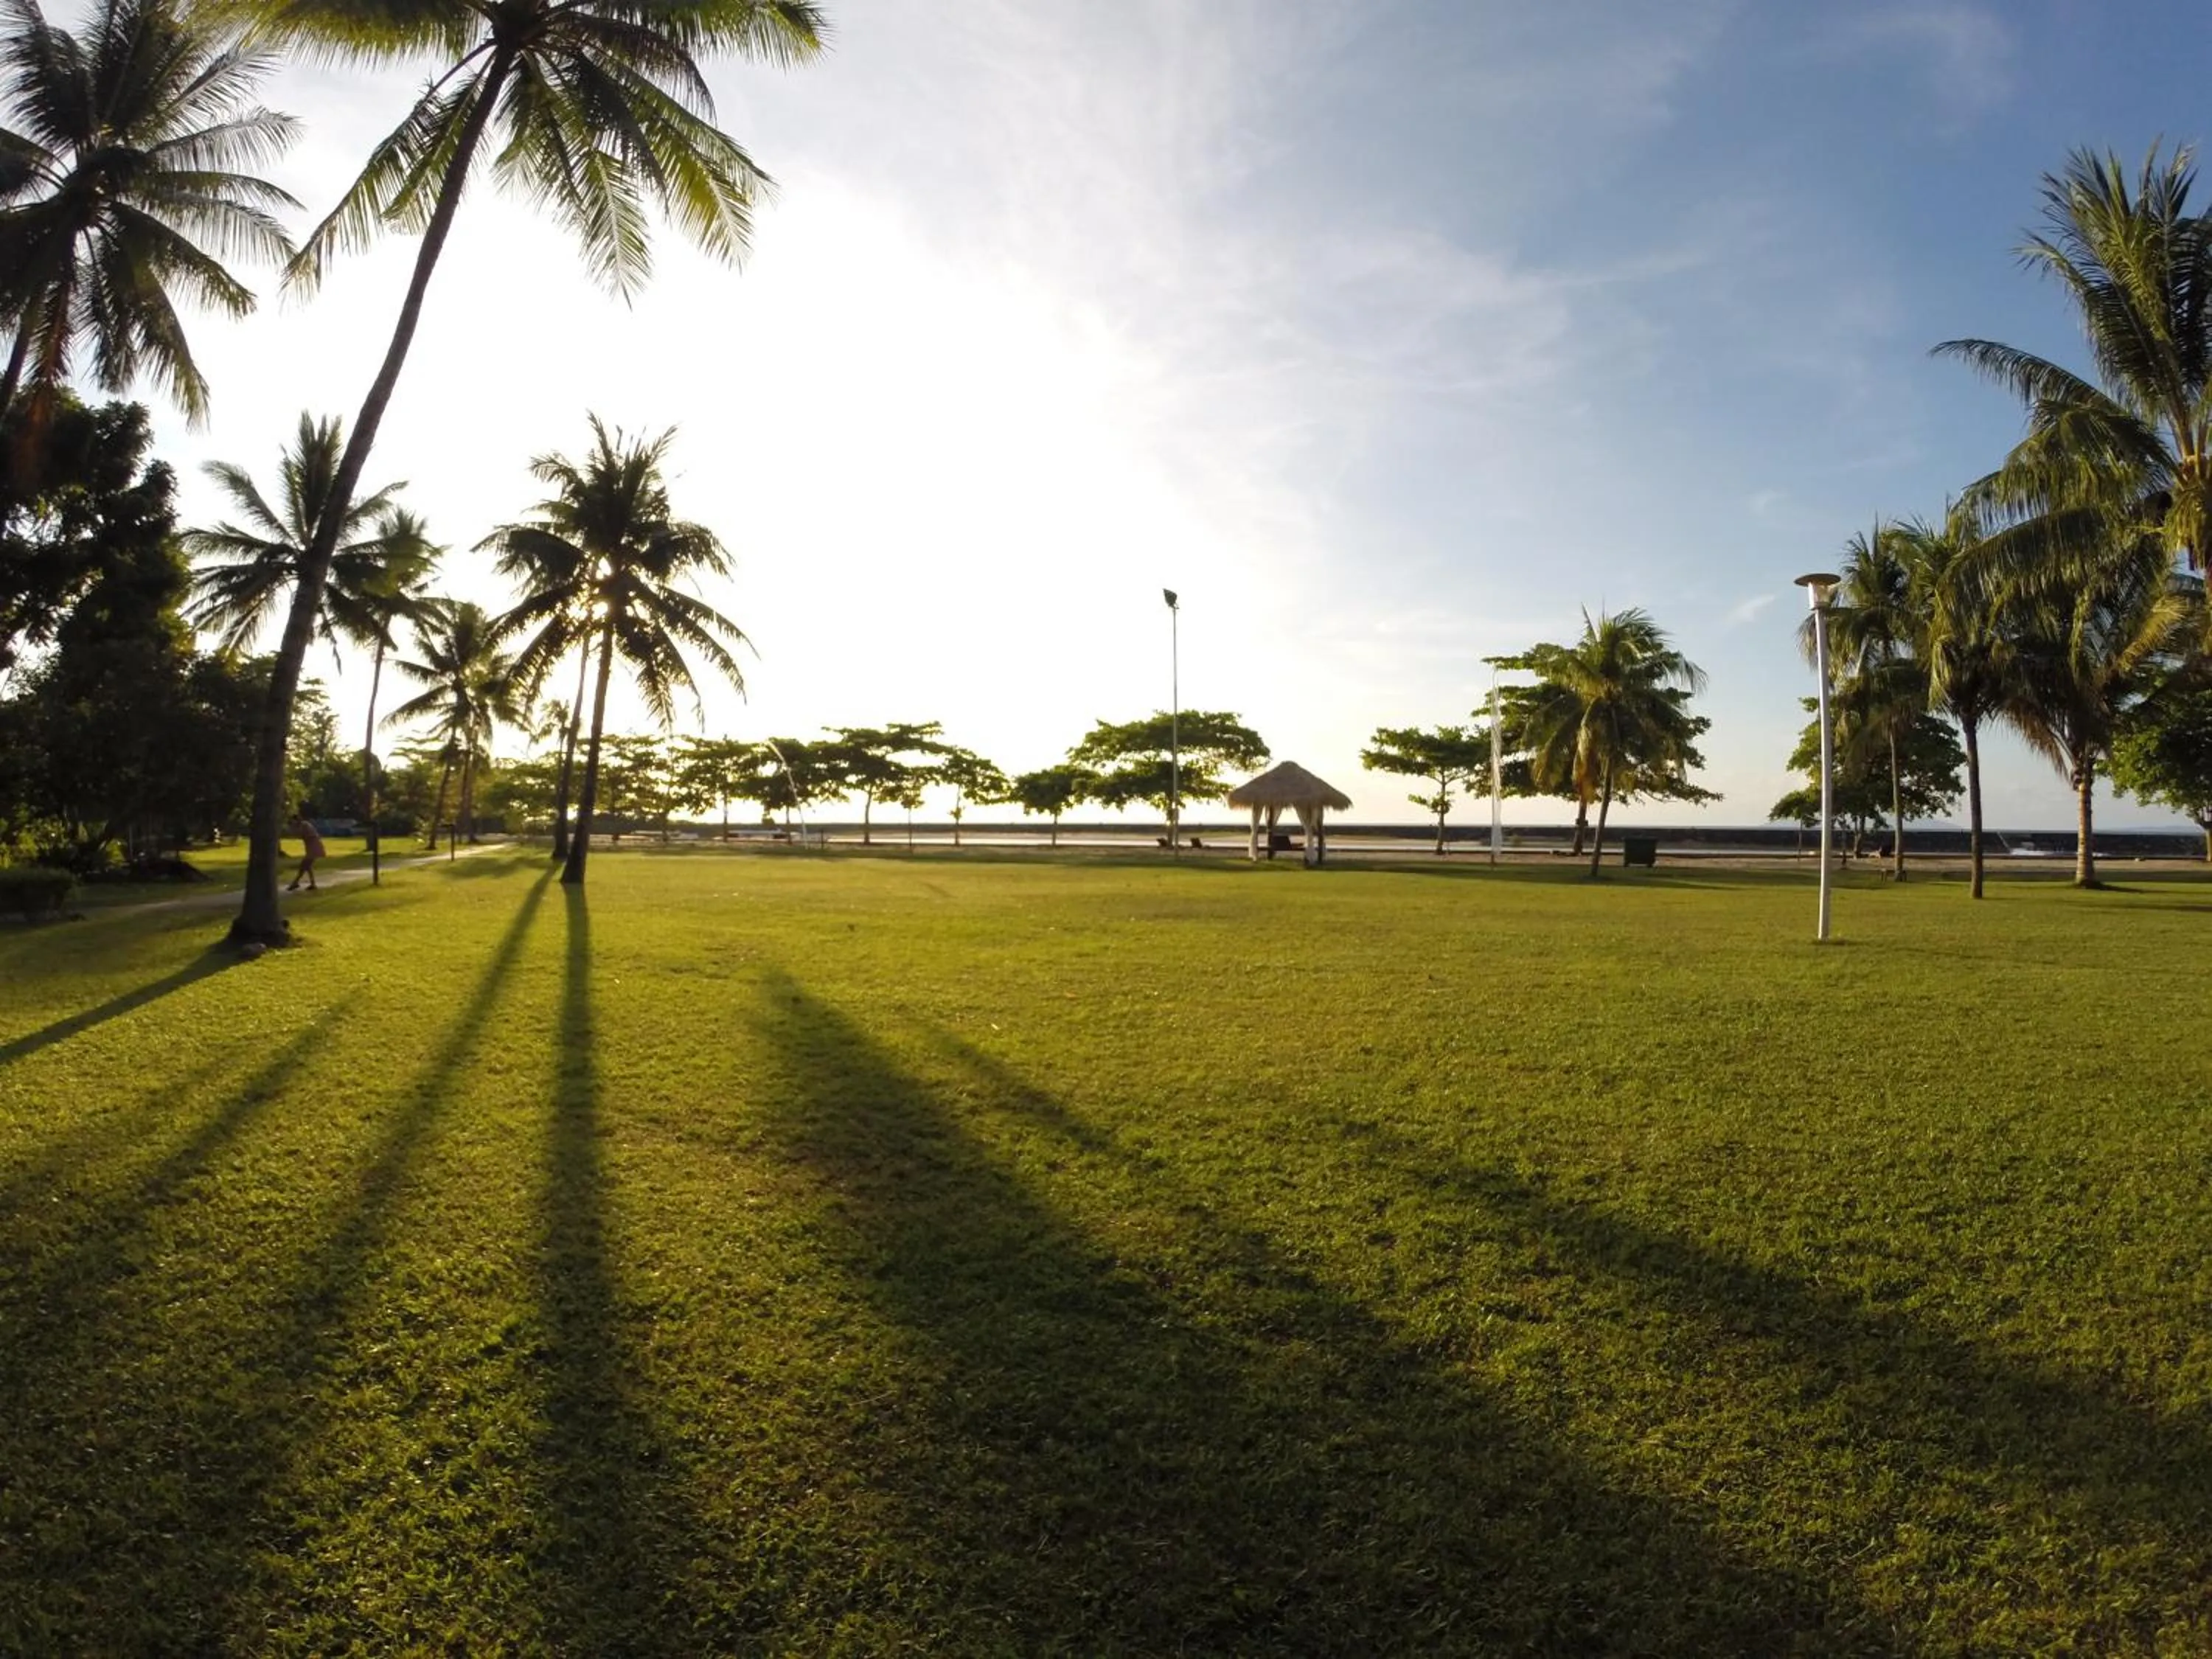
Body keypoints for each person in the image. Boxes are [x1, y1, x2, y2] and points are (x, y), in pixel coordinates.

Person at [288, 813, 327, 892]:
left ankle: (295, 883)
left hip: (314, 846)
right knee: (307, 866)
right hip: (311, 846)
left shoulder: (304, 825)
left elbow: (298, 834)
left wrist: (292, 829)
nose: (292, 823)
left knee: (304, 865)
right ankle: (312, 884)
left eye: (293, 821)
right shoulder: (302, 825)